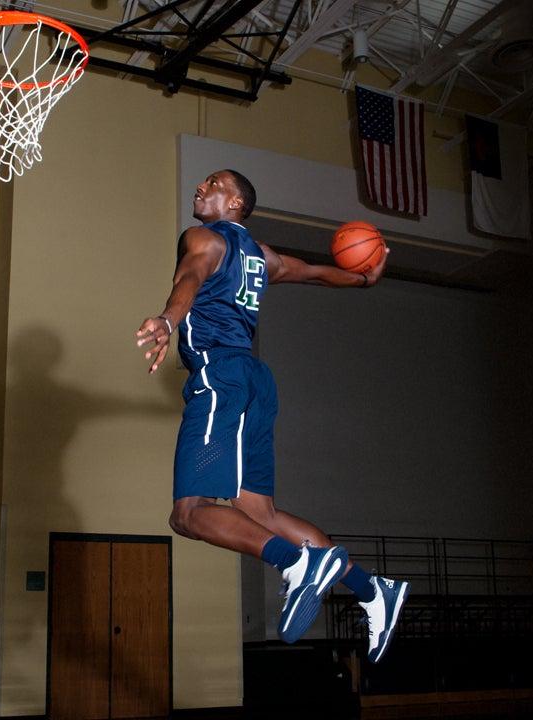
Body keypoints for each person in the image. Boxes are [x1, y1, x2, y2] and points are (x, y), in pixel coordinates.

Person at [135, 169, 410, 663]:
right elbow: (312, 272)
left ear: (235, 203)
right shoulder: (263, 258)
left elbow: (190, 278)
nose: (201, 187)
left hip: (220, 377)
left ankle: (297, 564)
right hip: (256, 383)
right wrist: (362, 279)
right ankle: (373, 590)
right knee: (260, 514)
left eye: (213, 183)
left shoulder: (202, 239)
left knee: (188, 513)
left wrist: (168, 321)